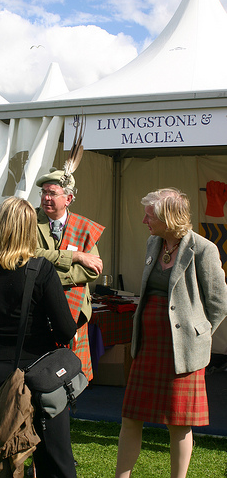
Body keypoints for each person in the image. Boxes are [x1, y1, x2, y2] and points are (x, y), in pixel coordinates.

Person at [0, 196, 78, 478]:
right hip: (39, 375)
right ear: (30, 229)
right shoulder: (41, 269)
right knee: (53, 458)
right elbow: (66, 330)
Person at [115, 187, 227, 478]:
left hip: (183, 349)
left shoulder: (203, 249)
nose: (144, 221)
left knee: (179, 423)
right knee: (131, 417)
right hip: (148, 345)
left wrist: (198, 334)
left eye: (149, 216)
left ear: (169, 217)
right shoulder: (154, 243)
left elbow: (219, 303)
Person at [35, 168, 104, 382]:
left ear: (69, 198)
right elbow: (29, 255)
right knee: (40, 372)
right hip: (38, 309)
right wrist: (75, 257)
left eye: (52, 193)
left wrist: (50, 277)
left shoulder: (83, 227)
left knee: (69, 373)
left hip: (74, 311)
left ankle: (63, 413)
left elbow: (92, 270)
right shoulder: (29, 221)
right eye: (44, 192)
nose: (46, 197)